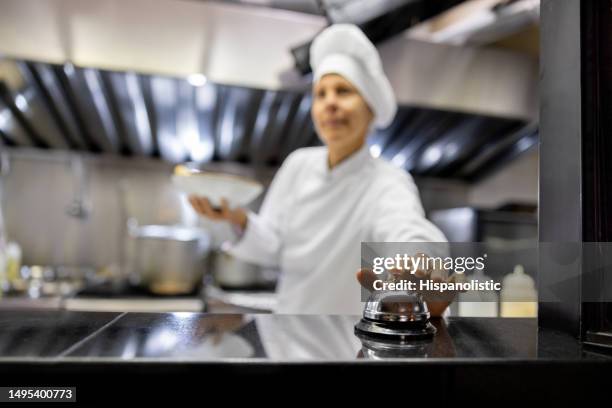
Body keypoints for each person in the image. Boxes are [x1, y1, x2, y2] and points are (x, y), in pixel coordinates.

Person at [189, 24, 450, 316]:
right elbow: (273, 246)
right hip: (288, 337)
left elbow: (406, 228)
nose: (330, 103)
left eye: (343, 91)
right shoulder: (297, 165)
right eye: (321, 94)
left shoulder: (387, 181)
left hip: (348, 345)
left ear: (371, 107)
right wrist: (236, 218)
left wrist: (419, 261)